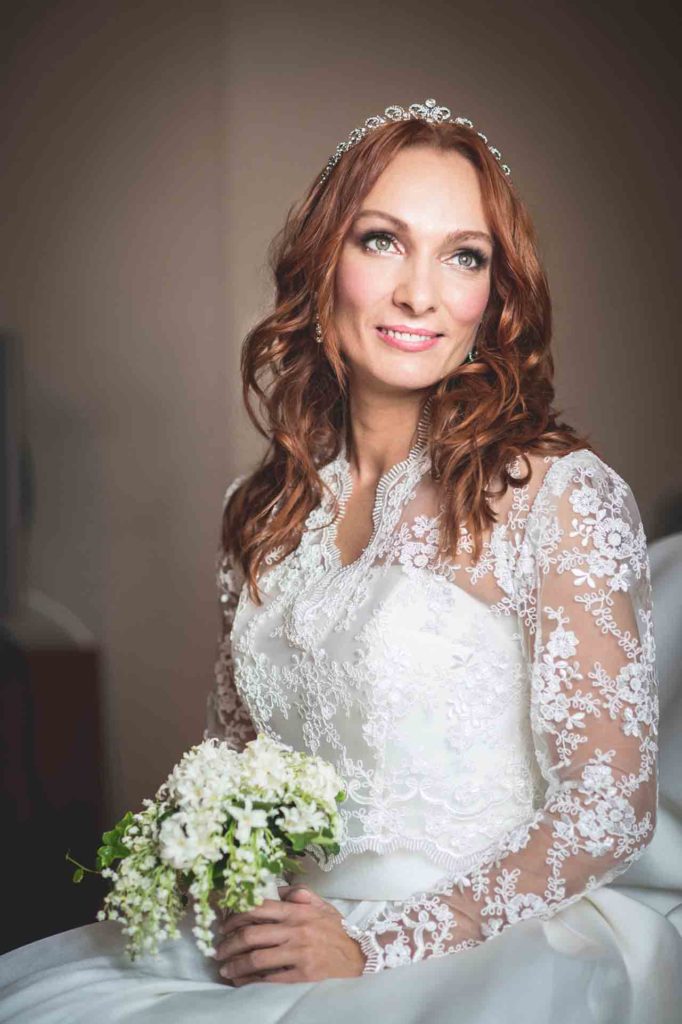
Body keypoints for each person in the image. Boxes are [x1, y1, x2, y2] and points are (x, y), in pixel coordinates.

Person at [1, 97, 681, 1023]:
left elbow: (608, 807)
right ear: (325, 262)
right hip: (290, 935)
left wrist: (378, 948)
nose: (420, 294)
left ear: (495, 296)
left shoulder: (557, 495)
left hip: (483, 940)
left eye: (464, 256)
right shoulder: (259, 514)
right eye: (383, 241)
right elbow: (234, 764)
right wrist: (240, 897)